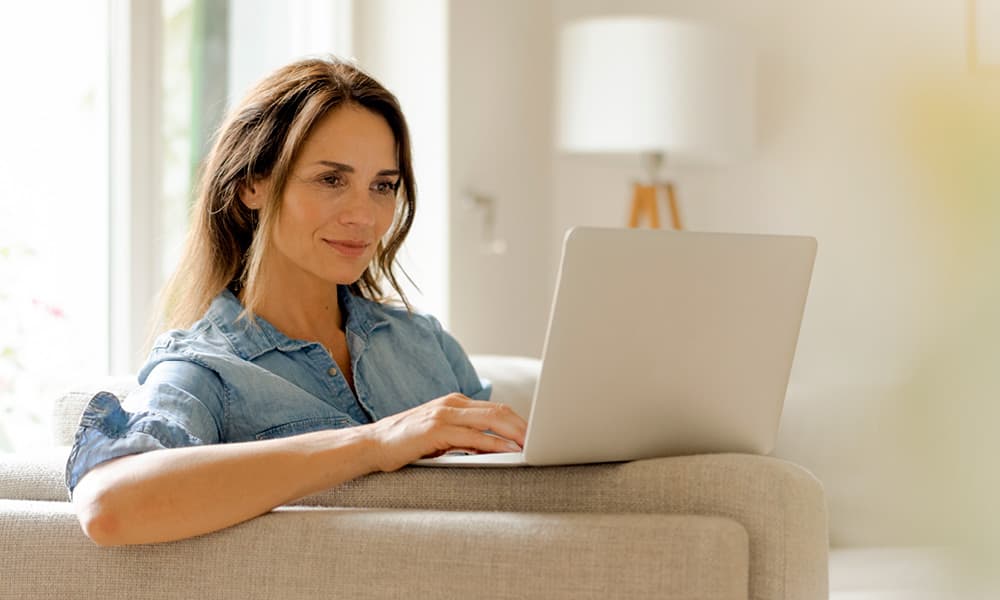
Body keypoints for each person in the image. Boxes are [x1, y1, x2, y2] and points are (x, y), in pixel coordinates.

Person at [67, 56, 527, 547]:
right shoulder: (208, 369)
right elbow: (110, 507)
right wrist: (375, 443)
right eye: (331, 180)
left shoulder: (424, 342)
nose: (364, 216)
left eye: (383, 186)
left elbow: (512, 499)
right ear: (251, 185)